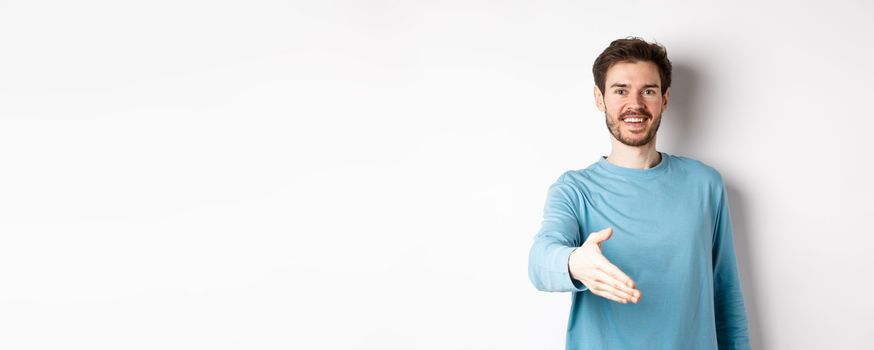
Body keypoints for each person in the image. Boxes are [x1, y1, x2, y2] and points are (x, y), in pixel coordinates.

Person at [527, 37, 751, 349]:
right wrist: (574, 262)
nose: (635, 104)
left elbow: (725, 295)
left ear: (666, 98)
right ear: (599, 98)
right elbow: (539, 262)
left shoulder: (705, 185)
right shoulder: (574, 189)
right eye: (620, 91)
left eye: (648, 91)